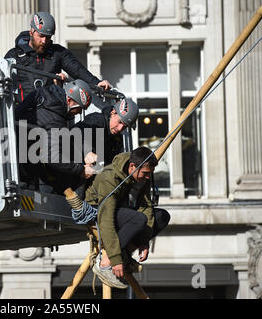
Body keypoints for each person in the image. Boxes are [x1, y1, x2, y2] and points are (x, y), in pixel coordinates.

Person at [84, 146, 170, 288]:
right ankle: (105, 264)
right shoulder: (109, 177)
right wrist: (114, 258)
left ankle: (125, 255)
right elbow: (106, 219)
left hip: (123, 209)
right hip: (98, 210)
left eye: (150, 173)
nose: (148, 177)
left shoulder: (143, 174)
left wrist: (144, 240)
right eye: (145, 173)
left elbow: (145, 206)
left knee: (162, 216)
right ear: (132, 166)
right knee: (138, 219)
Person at [5, 12, 111, 103]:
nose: (44, 41)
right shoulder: (14, 55)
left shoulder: (58, 53)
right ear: (31, 32)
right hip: (23, 117)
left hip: (50, 115)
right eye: (41, 36)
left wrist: (96, 83)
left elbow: (77, 69)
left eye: (48, 37)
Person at [16, 79, 96, 194]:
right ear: (69, 100)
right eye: (79, 108)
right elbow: (51, 157)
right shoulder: (55, 118)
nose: (79, 113)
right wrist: (81, 170)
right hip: (25, 165)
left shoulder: (48, 93)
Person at [72, 97, 139, 169]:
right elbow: (74, 134)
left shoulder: (117, 138)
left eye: (125, 127)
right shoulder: (97, 122)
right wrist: (88, 152)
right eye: (120, 122)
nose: (120, 128)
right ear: (113, 112)